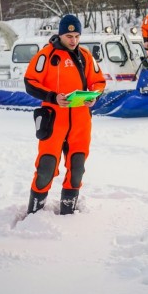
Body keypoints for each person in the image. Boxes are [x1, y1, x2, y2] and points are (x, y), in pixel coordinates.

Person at [24, 14, 106, 215]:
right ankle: (35, 212)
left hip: (80, 123)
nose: (73, 40)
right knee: (46, 168)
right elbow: (30, 82)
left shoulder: (86, 56)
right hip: (53, 122)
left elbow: (99, 81)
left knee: (77, 168)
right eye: (69, 35)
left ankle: (68, 212)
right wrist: (52, 97)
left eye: (77, 36)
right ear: (60, 34)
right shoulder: (46, 55)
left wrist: (94, 96)